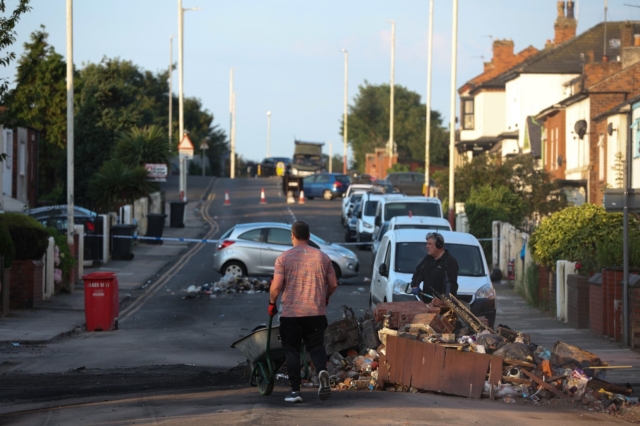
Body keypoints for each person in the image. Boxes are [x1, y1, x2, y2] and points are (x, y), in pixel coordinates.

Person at [268, 221, 338, 403]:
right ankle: (322, 371)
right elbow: (333, 284)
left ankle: (295, 391)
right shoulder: (322, 257)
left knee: (292, 351)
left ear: (292, 235)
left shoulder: (283, 259)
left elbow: (276, 287)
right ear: (308, 236)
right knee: (316, 347)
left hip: (292, 314)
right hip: (316, 312)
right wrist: (326, 297)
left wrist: (271, 303)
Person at [409, 231, 459, 299]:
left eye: (429, 244)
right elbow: (419, 271)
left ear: (439, 245)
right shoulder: (428, 259)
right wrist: (414, 285)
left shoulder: (450, 262)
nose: (427, 246)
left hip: (441, 306)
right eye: (426, 244)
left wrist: (445, 301)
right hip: (427, 303)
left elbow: (450, 286)